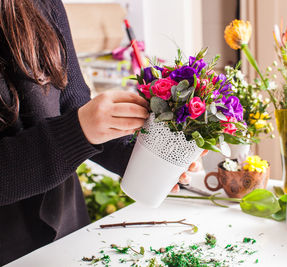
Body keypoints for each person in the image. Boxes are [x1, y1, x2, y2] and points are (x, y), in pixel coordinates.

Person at [0, 0, 203, 264]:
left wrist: (146, 155)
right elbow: (77, 125)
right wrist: (80, 130)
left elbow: (74, 106)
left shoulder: (43, 4)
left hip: (66, 229)